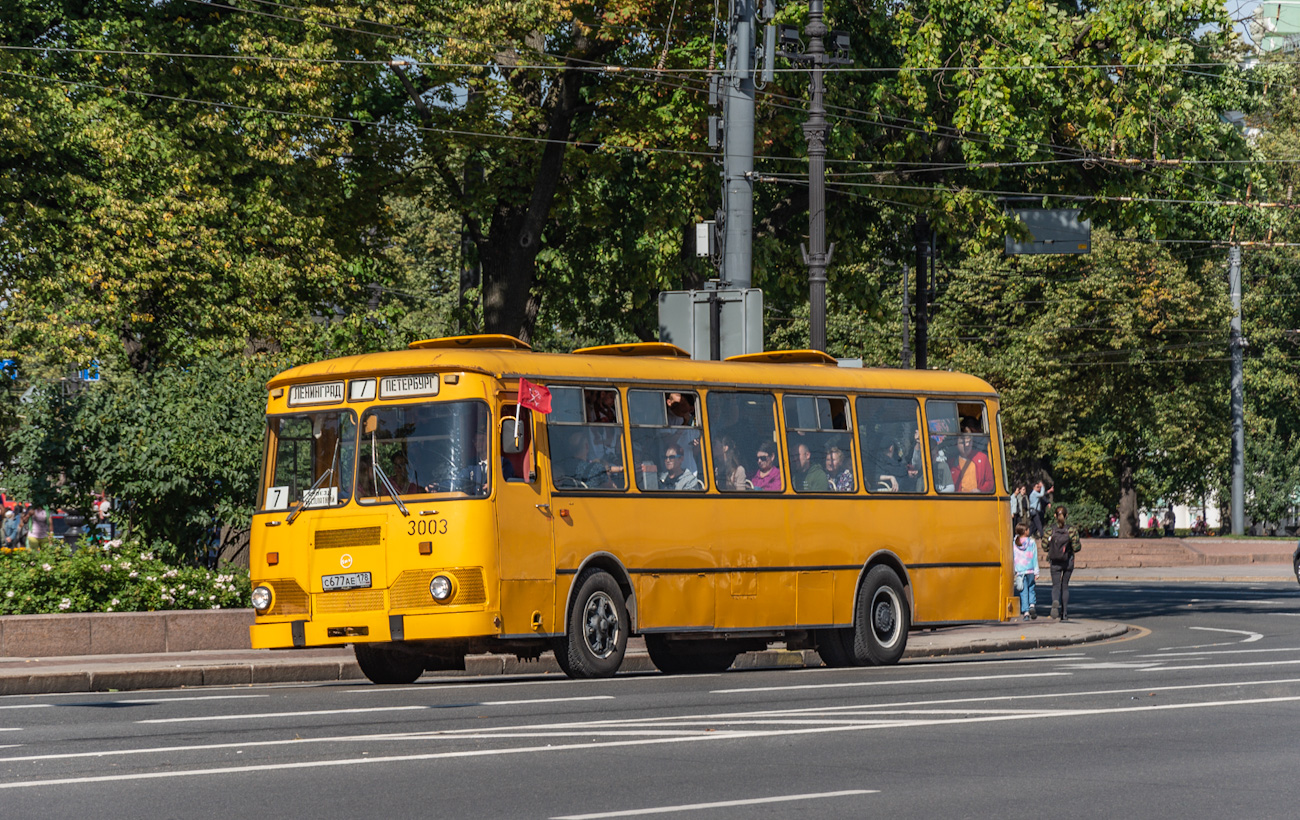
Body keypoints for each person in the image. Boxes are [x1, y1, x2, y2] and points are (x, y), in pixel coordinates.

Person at [1044, 505, 1078, 621]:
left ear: (1054, 516)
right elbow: (1077, 547)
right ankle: (1064, 614)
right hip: (1068, 561)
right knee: (1065, 586)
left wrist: (1052, 549)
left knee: (1056, 586)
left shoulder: (1050, 530)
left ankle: (1055, 601)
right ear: (1066, 515)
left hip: (1054, 561)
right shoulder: (1071, 530)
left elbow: (1044, 546)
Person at [950, 424, 994, 493]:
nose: (967, 445)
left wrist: (980, 491)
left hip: (977, 501)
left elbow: (990, 482)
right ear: (956, 444)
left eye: (969, 441)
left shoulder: (982, 458)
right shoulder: (951, 463)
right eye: (963, 442)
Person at [1013, 523, 1039, 620]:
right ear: (1025, 531)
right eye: (1028, 529)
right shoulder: (1031, 542)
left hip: (1020, 571)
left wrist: (1014, 570)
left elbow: (1013, 557)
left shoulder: (1015, 543)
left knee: (1023, 591)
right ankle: (1032, 605)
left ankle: (1026, 612)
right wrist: (1036, 571)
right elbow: (1034, 558)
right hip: (1030, 569)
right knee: (1031, 588)